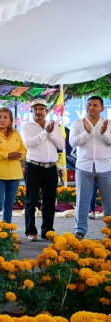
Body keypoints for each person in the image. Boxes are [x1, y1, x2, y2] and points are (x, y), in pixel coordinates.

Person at [20, 98, 64, 241]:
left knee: (49, 201)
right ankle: (30, 231)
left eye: (41, 109)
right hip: (34, 166)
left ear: (46, 111)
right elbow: (28, 144)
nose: (38, 112)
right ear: (31, 111)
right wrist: (45, 132)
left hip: (51, 167)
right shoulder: (26, 126)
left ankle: (47, 230)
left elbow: (61, 145)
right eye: (35, 109)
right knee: (31, 200)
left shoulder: (54, 126)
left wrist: (50, 132)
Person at [69, 96, 111, 239]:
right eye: (89, 105)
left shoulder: (108, 123)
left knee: (109, 200)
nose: (91, 107)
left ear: (102, 108)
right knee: (82, 200)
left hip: (106, 167)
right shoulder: (77, 123)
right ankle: (80, 230)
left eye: (95, 105)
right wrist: (86, 132)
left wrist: (104, 132)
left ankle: (110, 229)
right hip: (84, 166)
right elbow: (73, 142)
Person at [0, 107, 27, 223]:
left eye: (5, 117)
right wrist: (7, 155)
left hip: (14, 174)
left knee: (9, 205)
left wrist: (20, 155)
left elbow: (24, 150)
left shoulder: (16, 133)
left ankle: (7, 231)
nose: (2, 120)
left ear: (10, 121)